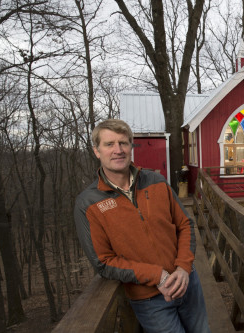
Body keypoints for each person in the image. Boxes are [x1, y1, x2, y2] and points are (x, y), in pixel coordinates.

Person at [74, 119, 210, 333]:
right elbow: (103, 262)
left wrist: (183, 267)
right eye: (109, 144)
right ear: (96, 151)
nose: (118, 150)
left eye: (124, 143)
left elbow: (184, 225)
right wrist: (158, 276)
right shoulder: (89, 203)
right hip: (149, 299)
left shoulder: (156, 181)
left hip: (188, 283)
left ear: (131, 147)